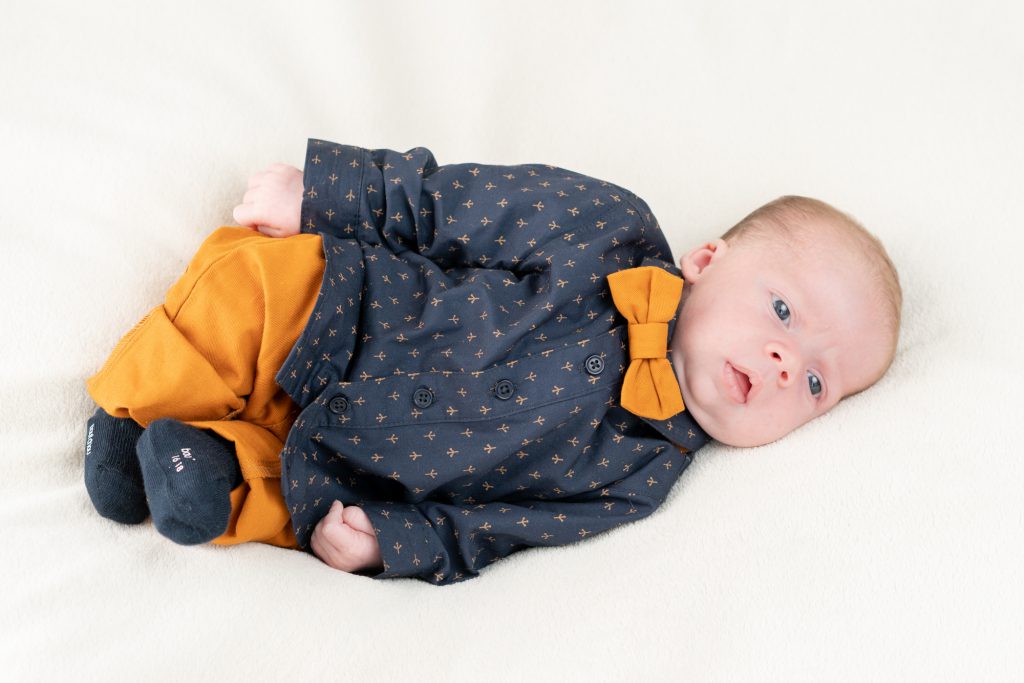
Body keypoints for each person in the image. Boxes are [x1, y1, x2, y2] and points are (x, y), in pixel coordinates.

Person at [83, 139, 901, 584]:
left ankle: (197, 465)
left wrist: (396, 543)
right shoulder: (607, 230)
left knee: (287, 509)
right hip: (339, 313)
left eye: (820, 381)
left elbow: (499, 529)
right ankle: (125, 415)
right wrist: (331, 194)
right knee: (241, 292)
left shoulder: (640, 477)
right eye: (783, 312)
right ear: (707, 257)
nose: (784, 362)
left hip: (350, 462)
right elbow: (456, 204)